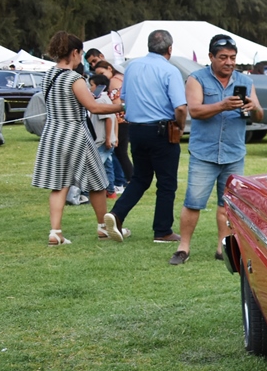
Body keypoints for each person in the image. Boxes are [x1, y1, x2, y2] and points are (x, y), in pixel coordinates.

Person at [169, 34, 262, 266]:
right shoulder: (196, 79)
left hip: (233, 153)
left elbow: (259, 115)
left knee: (227, 204)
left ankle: (223, 247)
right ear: (211, 57)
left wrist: (254, 106)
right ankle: (183, 247)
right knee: (193, 202)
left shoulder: (245, 81)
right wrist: (222, 105)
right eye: (223, 57)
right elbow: (195, 111)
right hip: (204, 153)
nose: (229, 62)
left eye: (232, 57)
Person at [31, 31, 125, 245]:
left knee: (59, 184)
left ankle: (55, 231)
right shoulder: (74, 78)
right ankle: (103, 227)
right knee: (98, 182)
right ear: (74, 52)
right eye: (80, 53)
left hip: (53, 132)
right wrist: (122, 106)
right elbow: (93, 106)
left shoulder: (48, 75)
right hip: (74, 132)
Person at [103, 29, 187, 244]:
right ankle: (163, 230)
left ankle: (117, 213)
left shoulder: (132, 67)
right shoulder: (170, 70)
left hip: (136, 129)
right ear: (170, 49)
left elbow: (123, 97)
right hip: (161, 130)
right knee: (166, 182)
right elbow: (179, 107)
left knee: (141, 177)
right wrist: (180, 126)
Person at [89, 60, 131, 184]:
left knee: (120, 154)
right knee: (116, 155)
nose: (102, 76)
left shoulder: (114, 82)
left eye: (102, 73)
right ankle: (118, 183)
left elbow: (116, 107)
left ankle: (126, 180)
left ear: (109, 68)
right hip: (121, 121)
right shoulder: (121, 79)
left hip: (120, 121)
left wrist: (110, 135)